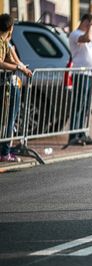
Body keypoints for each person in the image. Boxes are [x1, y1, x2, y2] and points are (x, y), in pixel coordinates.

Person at [0, 14, 32, 163]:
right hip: (4, 84)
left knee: (7, 119)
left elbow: (13, 57)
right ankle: (4, 152)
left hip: (7, 83)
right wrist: (18, 67)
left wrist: (20, 66)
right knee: (8, 118)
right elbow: (1, 63)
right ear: (10, 27)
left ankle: (5, 150)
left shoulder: (5, 41)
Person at [68, 13, 92, 144]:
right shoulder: (75, 34)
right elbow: (88, 38)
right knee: (78, 104)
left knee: (86, 106)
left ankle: (82, 133)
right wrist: (90, 27)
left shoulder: (88, 35)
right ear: (86, 22)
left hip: (89, 75)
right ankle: (74, 135)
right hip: (80, 74)